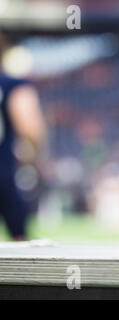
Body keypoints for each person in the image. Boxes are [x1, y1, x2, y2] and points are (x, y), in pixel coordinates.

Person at [0, 35, 47, 240]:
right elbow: (30, 127)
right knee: (21, 245)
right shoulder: (13, 85)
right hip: (3, 173)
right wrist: (34, 156)